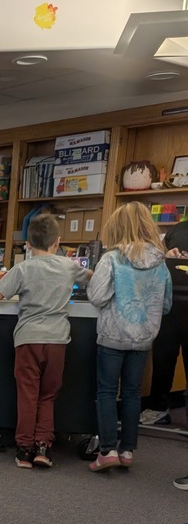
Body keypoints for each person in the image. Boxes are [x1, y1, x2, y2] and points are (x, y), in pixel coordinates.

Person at [0, 213, 91, 469]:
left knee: (27, 395)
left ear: (28, 244)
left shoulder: (22, 268)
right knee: (48, 395)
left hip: (27, 339)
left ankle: (24, 449)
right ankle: (43, 447)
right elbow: (92, 277)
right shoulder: (68, 266)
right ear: (58, 242)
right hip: (57, 340)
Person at [87, 202, 172, 472]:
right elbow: (166, 304)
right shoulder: (161, 261)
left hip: (113, 336)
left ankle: (107, 450)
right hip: (143, 338)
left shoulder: (111, 258)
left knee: (107, 392)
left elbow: (97, 296)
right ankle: (127, 450)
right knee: (133, 394)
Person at [141, 220, 188, 425]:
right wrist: (167, 255)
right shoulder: (177, 229)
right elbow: (158, 258)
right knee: (162, 361)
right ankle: (158, 408)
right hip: (169, 308)